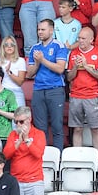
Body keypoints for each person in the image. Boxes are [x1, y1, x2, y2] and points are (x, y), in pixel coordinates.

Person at [3, 106, 46, 195]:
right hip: (17, 182)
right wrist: (17, 143)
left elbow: (38, 154)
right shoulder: (12, 135)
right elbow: (5, 156)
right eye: (16, 122)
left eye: (21, 122)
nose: (18, 125)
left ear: (29, 120)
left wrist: (27, 140)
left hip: (35, 180)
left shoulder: (39, 134)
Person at [27, 19, 67, 151]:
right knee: (40, 127)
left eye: (43, 29)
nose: (40, 32)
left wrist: (42, 60)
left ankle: (58, 157)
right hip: (38, 89)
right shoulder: (35, 48)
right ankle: (42, 156)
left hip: (55, 89)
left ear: (51, 30)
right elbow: (29, 74)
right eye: (38, 29)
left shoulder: (59, 46)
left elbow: (60, 69)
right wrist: (38, 63)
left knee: (56, 125)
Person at [66, 26, 98, 149]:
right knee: (77, 129)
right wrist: (75, 67)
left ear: (91, 40)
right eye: (79, 38)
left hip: (92, 95)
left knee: (95, 129)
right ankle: (78, 158)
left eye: (83, 38)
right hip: (75, 95)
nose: (80, 41)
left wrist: (86, 66)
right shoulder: (73, 54)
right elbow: (69, 77)